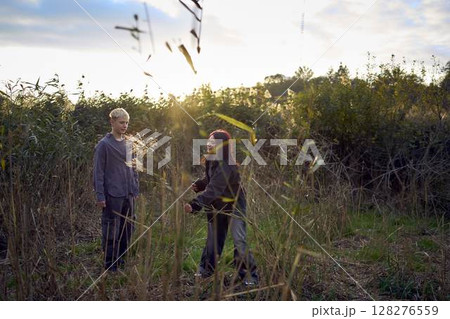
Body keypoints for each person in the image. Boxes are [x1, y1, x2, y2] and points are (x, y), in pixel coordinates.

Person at [184, 129, 258, 286]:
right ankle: (206, 270)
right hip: (216, 204)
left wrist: (195, 204)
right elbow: (210, 179)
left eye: (214, 142)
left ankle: (248, 276)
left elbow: (215, 188)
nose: (209, 144)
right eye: (209, 141)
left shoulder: (228, 165)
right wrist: (200, 184)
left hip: (235, 204)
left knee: (239, 239)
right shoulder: (211, 159)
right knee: (213, 239)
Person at [93, 108, 139, 272]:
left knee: (128, 228)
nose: (124, 125)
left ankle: (121, 260)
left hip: (128, 194)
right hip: (112, 195)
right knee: (112, 228)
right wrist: (100, 196)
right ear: (112, 122)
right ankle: (110, 264)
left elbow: (133, 168)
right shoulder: (104, 145)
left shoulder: (129, 144)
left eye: (126, 123)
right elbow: (98, 172)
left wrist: (135, 189)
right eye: (121, 122)